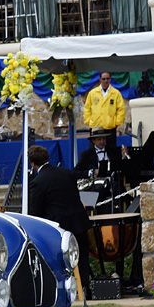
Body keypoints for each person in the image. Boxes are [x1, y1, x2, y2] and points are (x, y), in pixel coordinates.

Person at [27, 145, 90, 290]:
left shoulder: (37, 182)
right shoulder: (66, 172)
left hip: (57, 229)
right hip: (77, 221)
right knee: (81, 256)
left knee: (59, 261)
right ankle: (85, 287)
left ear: (32, 163)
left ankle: (62, 288)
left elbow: (35, 213)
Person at [83, 72, 125, 142]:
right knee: (94, 150)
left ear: (110, 79)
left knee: (111, 150)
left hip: (110, 127)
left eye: (107, 79)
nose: (105, 81)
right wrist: (88, 122)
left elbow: (121, 109)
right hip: (95, 126)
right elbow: (87, 108)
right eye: (103, 79)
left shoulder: (116, 93)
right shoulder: (92, 93)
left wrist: (117, 123)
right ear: (100, 79)